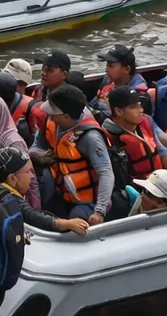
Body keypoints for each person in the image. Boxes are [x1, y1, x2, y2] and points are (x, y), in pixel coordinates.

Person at [32, 83, 114, 224]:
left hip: (88, 200)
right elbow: (35, 147)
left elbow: (106, 172)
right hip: (62, 191)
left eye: (53, 114)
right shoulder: (52, 123)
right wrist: (36, 155)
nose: (49, 117)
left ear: (66, 116)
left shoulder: (90, 137)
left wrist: (99, 211)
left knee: (77, 217)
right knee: (44, 210)